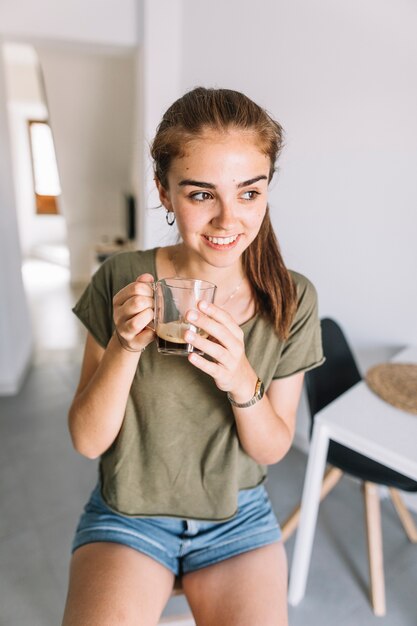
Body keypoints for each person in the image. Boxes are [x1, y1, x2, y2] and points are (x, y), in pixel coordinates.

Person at [62, 87, 324, 626]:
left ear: (267, 190)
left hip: (236, 515)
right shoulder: (121, 276)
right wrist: (125, 345)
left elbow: (273, 449)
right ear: (164, 191)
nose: (228, 220)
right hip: (129, 512)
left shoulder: (291, 298)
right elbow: (87, 440)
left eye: (249, 193)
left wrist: (241, 379)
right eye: (202, 194)